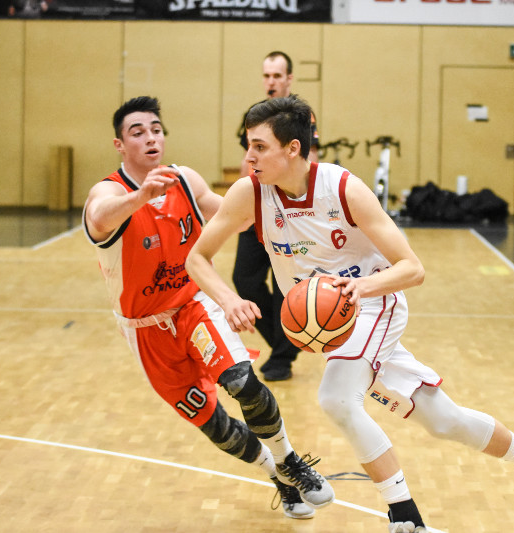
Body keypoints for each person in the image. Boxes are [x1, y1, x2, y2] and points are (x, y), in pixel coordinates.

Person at [187, 96, 514, 532]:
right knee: (443, 420)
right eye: (248, 144)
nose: (248, 156)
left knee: (336, 398)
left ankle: (406, 519)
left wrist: (361, 287)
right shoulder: (250, 192)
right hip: (335, 325)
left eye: (259, 146)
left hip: (374, 304)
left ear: (292, 148)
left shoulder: (343, 190)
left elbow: (412, 268)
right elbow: (197, 258)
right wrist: (229, 301)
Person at [83, 96, 333, 521]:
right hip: (145, 330)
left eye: (156, 129)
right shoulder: (110, 192)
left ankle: (291, 460)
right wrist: (141, 196)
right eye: (137, 132)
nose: (150, 137)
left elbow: (239, 216)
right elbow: (99, 217)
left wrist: (307, 207)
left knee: (242, 382)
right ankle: (278, 476)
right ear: (120, 145)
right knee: (216, 426)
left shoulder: (185, 180)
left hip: (193, 305)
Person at [232, 51, 320, 382]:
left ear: (288, 79)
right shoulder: (254, 115)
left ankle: (282, 357)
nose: (271, 81)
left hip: (292, 211)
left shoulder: (302, 115)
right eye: (266, 75)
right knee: (245, 279)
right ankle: (288, 341)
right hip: (257, 205)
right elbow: (247, 160)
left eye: (277, 76)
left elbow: (309, 159)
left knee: (285, 284)